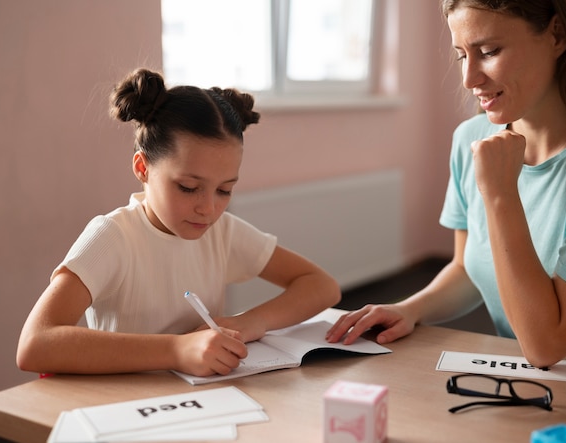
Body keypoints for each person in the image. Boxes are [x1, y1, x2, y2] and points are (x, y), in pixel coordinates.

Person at [327, 0, 566, 368]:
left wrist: (501, 194)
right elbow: (468, 269)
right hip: (529, 376)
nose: (469, 78)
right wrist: (408, 309)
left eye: (489, 52)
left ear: (557, 35)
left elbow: (545, 346)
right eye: (462, 55)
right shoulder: (471, 138)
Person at [17, 68, 341, 377]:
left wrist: (253, 321)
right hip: (126, 407)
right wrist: (175, 350)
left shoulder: (221, 232)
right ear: (142, 168)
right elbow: (35, 344)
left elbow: (321, 286)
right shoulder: (113, 237)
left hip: (202, 402)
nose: (208, 209)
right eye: (188, 187)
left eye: (225, 190)